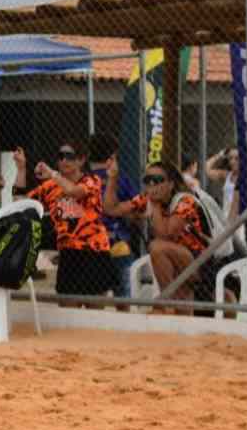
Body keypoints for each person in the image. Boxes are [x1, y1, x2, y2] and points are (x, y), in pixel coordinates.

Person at [104, 159, 230, 315]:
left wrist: (155, 205)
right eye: (147, 180)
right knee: (183, 310)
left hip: (204, 262)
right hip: (178, 260)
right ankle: (174, 308)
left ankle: (164, 303)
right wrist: (112, 179)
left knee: (157, 246)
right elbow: (111, 209)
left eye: (157, 180)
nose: (152, 185)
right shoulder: (149, 198)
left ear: (171, 184)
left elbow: (166, 234)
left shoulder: (185, 201)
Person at [13, 139, 116, 303]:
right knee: (67, 303)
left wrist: (53, 174)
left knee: (95, 306)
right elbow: (19, 202)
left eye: (69, 156)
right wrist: (21, 169)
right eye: (60, 156)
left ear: (81, 160)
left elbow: (73, 191)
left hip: (93, 250)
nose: (63, 161)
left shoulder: (91, 181)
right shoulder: (50, 186)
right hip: (68, 252)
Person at [87, 133, 137, 306]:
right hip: (118, 243)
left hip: (91, 246)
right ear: (112, 156)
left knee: (96, 296)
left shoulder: (82, 181)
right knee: (123, 297)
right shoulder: (121, 180)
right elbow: (136, 211)